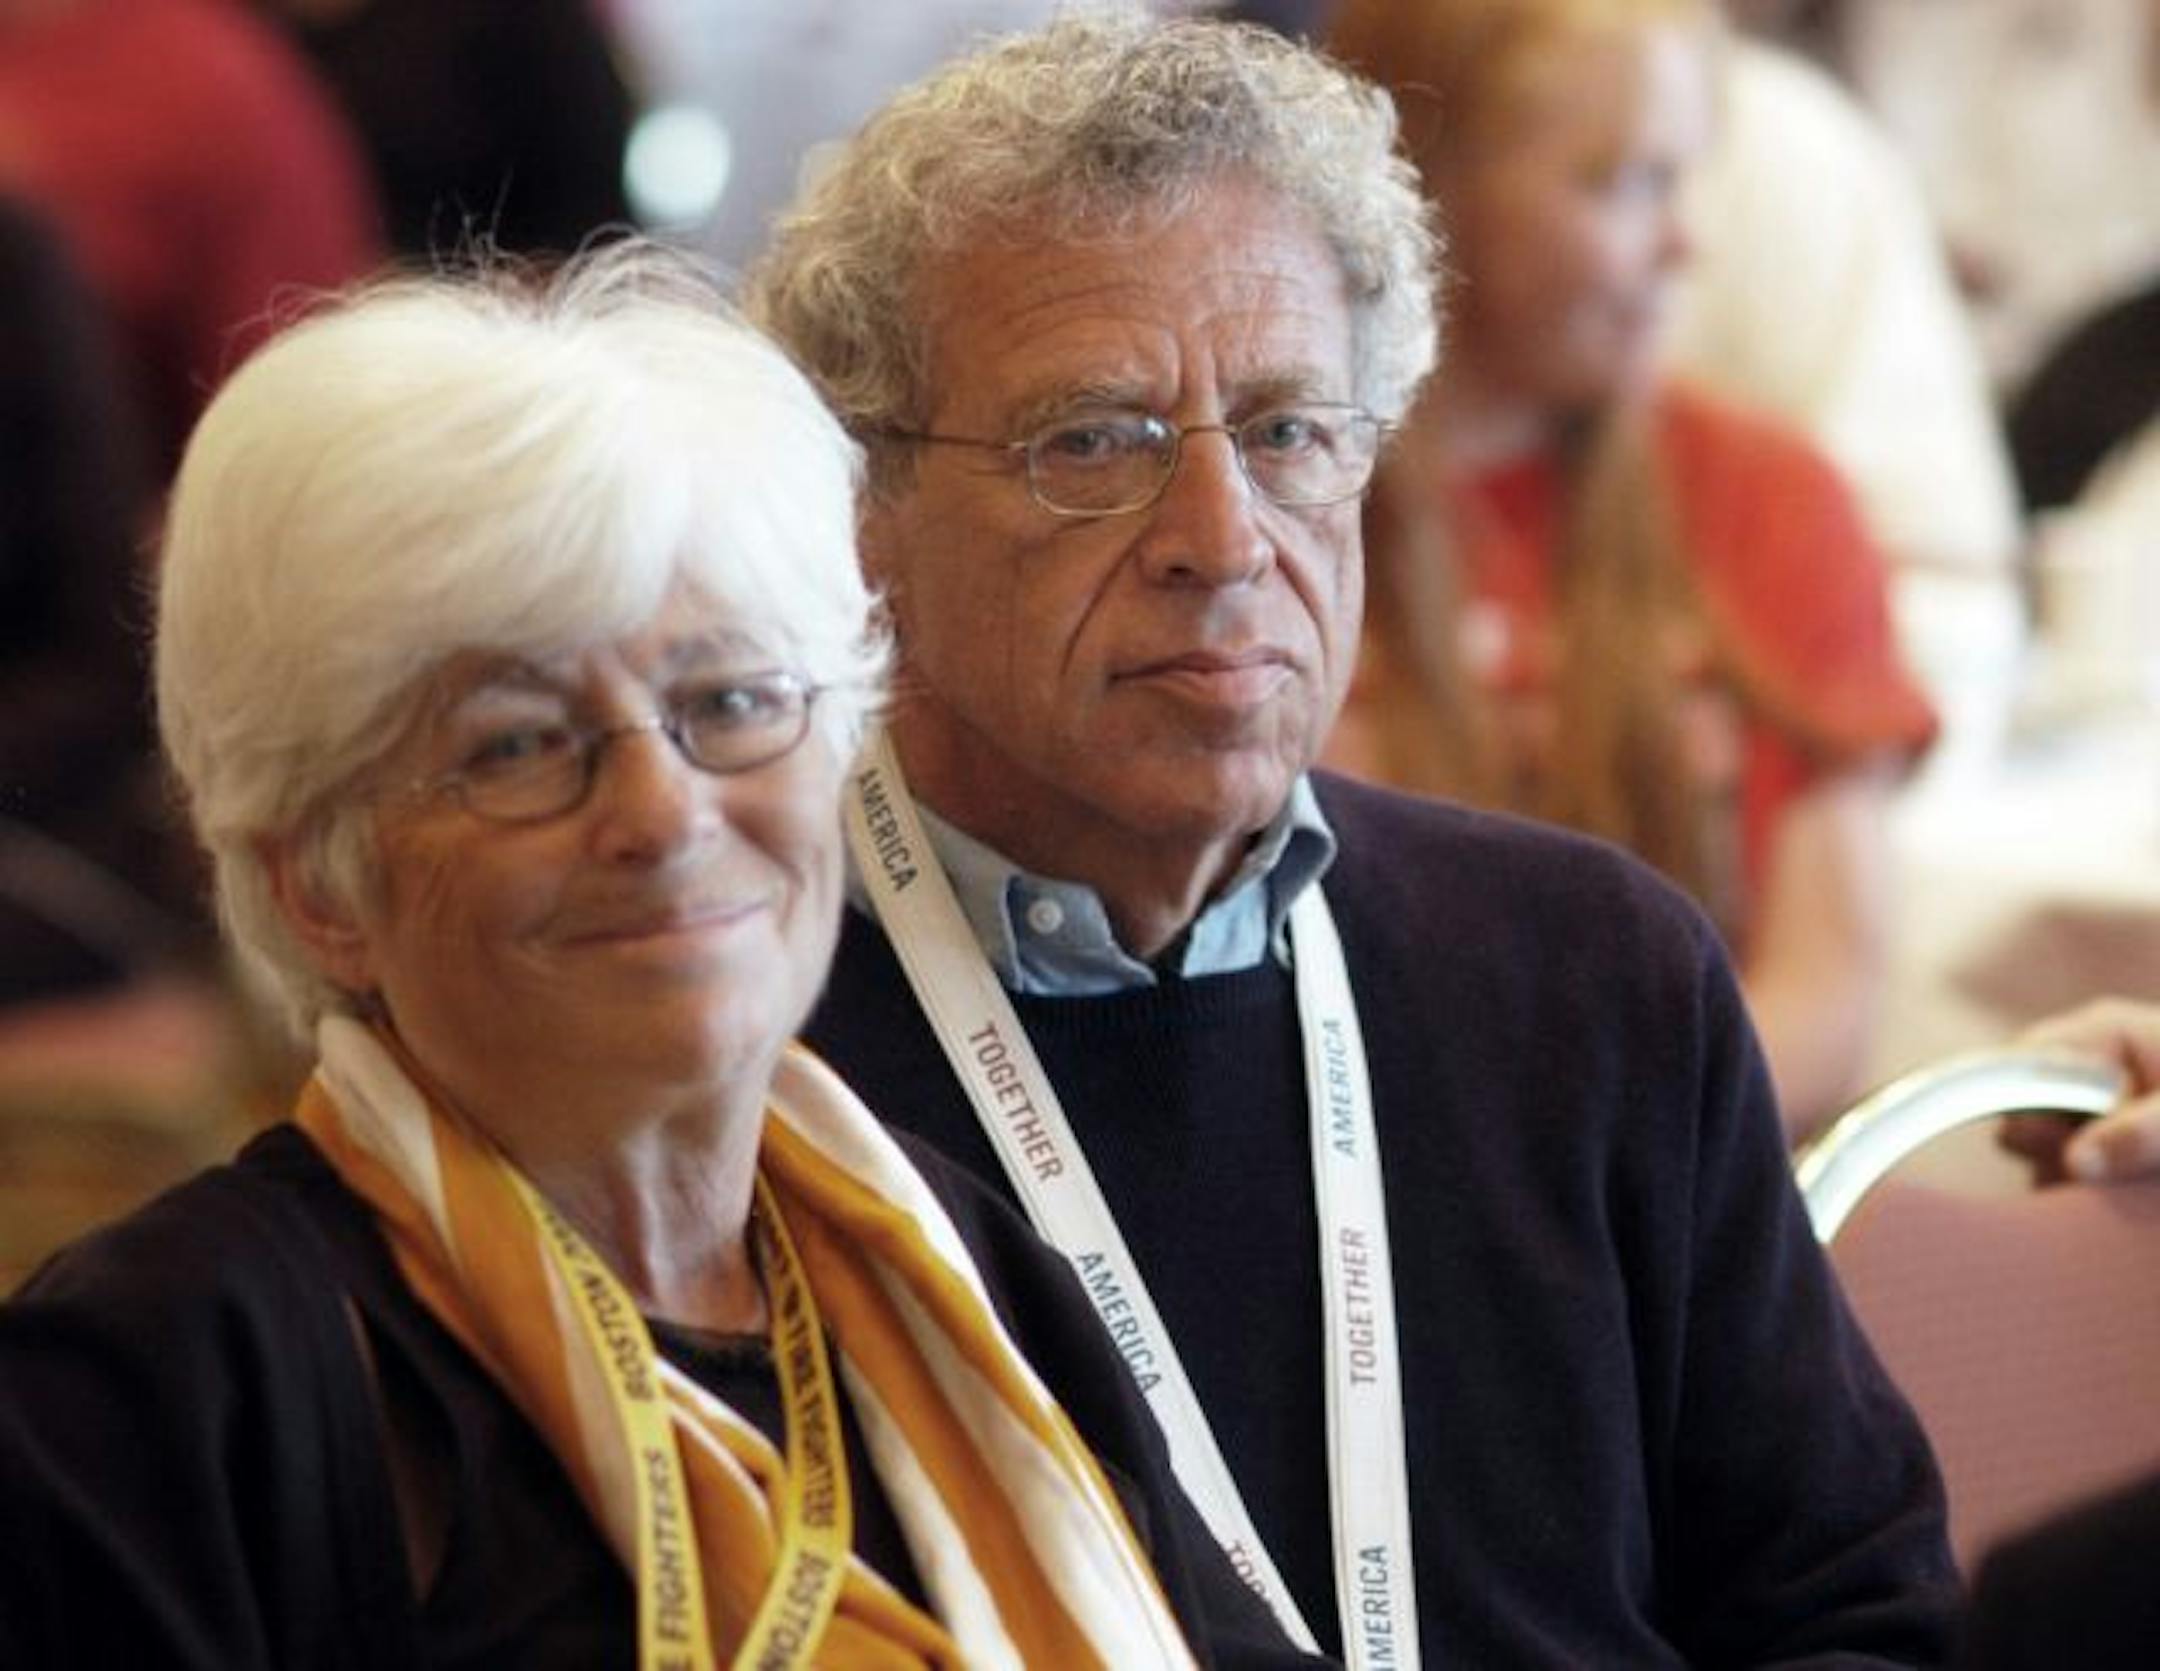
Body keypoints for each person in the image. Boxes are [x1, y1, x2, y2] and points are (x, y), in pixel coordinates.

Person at [747, 13, 1957, 1664]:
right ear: (861, 513)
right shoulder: (738, 1042)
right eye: (1091, 440)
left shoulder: (1597, 976)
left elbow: (1850, 1609)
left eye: (1290, 431)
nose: (1222, 538)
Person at [0, 242, 1319, 1669]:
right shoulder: (155, 1389)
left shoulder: (943, 1255)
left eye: (732, 700)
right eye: (516, 743)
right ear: (318, 881)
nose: (662, 812)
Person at [1321, 0, 1938, 1139]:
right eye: (1620, 183)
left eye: (1679, 177)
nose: (1684, 242)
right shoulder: (1278, 509)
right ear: (1427, 200)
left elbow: (1825, 996)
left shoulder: (1764, 496)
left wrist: (1598, 1174)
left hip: (1692, 1199)